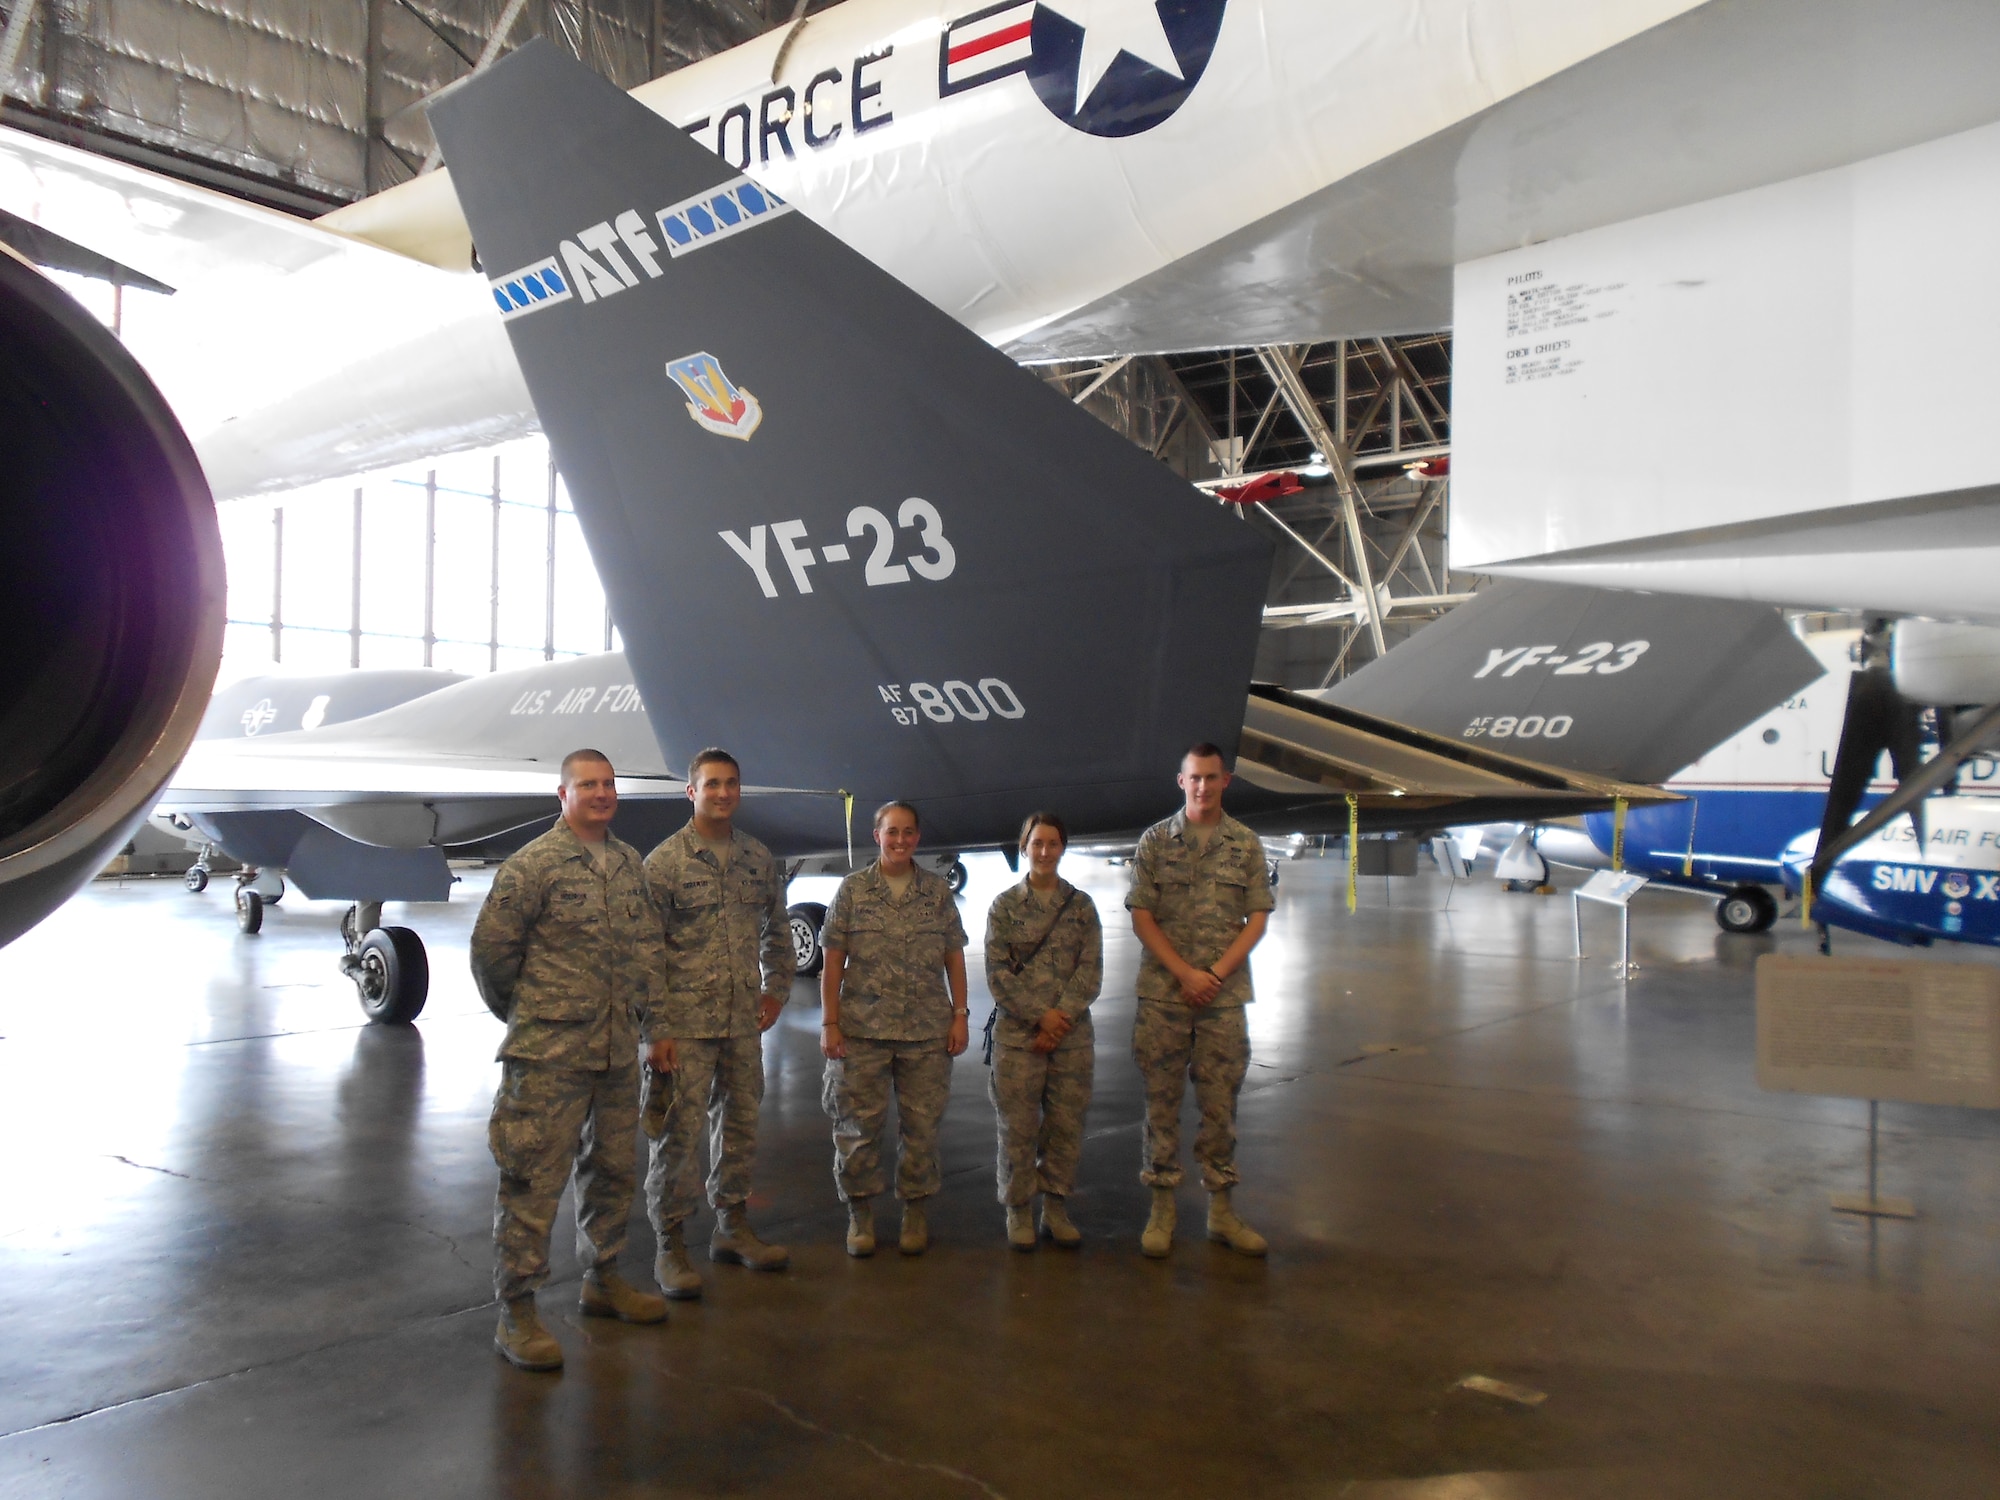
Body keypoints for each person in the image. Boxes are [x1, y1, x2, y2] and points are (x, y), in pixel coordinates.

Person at [470, 748, 669, 1373]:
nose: (602, 793)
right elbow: (491, 954)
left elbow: (647, 952)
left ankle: (603, 1279)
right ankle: (517, 1311)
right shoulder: (534, 866)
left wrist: (650, 1027)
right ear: (564, 794)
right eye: (588, 784)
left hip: (614, 1050)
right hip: (548, 1054)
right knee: (532, 1180)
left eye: (609, 784)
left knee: (612, 1169)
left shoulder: (630, 864)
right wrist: (532, 1012)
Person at [641, 748, 795, 1298]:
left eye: (731, 783)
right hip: (683, 1028)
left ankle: (732, 1227)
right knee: (677, 1138)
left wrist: (776, 991)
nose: (723, 793)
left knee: (741, 1129)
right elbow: (645, 952)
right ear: (692, 792)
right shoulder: (664, 864)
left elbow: (778, 930)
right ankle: (670, 1243)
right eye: (712, 784)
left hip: (740, 1025)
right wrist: (655, 1030)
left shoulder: (757, 857)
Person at [1125, 743, 1274, 1259]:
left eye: (1212, 778)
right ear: (1181, 781)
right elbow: (1142, 915)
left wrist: (1213, 974)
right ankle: (1161, 1210)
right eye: (1195, 778)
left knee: (1221, 1109)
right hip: (1165, 996)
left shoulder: (1246, 844)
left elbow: (1257, 917)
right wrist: (1185, 973)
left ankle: (1222, 1212)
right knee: (1160, 1107)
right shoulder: (1154, 842)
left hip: (1223, 999)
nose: (1203, 787)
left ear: (1225, 781)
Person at [819, 801, 969, 1257]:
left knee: (921, 1130)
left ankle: (915, 1212)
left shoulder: (937, 893)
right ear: (877, 835)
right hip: (862, 1031)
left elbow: (954, 956)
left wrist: (960, 1014)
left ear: (917, 838)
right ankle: (860, 1215)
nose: (900, 840)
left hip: (925, 1033)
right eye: (891, 832)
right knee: (856, 1130)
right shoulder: (852, 892)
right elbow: (832, 963)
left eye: (908, 832)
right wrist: (830, 1022)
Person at [983, 811, 1102, 1250]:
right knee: (1017, 1127)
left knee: (1065, 1125)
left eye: (1053, 843)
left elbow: (1090, 971)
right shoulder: (1004, 906)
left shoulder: (1082, 907)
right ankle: (1018, 1211)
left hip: (1070, 1038)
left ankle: (1055, 1207)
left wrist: (1060, 1018)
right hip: (1018, 1038)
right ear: (1024, 847)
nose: (1045, 851)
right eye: (1037, 844)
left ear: (1062, 848)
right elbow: (997, 974)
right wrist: (1040, 1016)